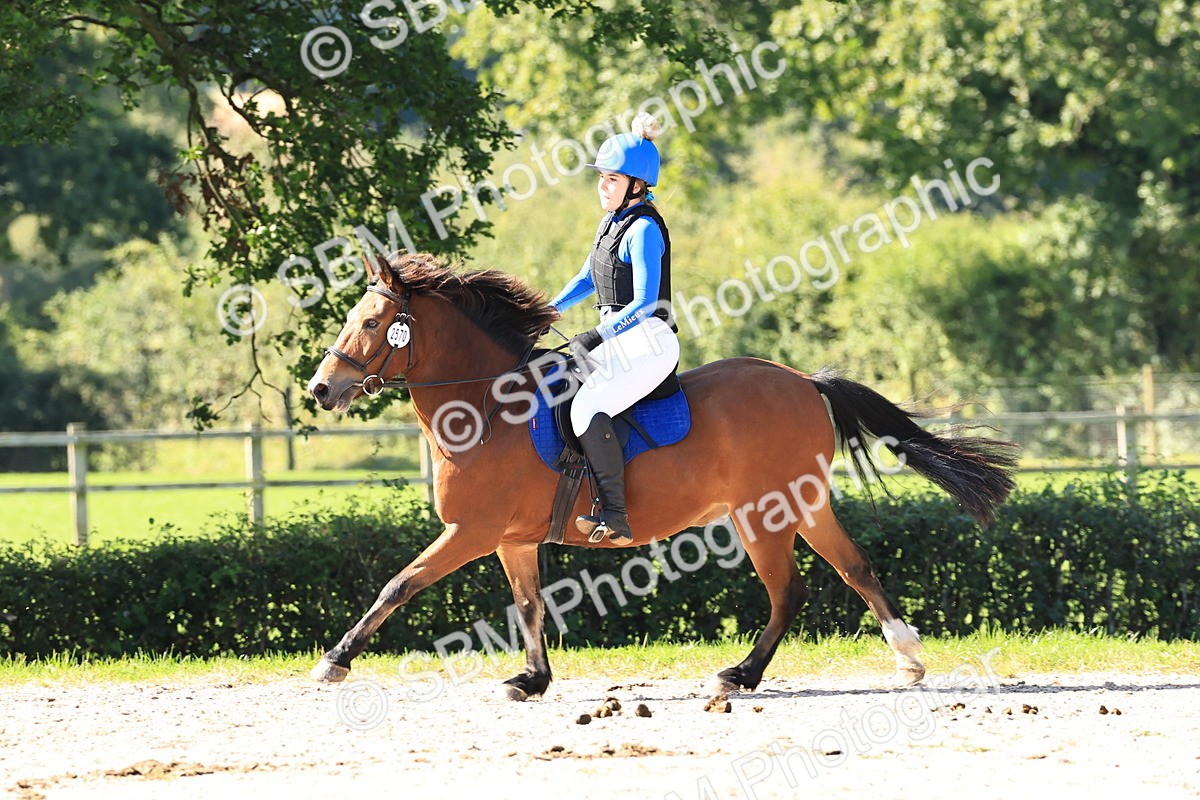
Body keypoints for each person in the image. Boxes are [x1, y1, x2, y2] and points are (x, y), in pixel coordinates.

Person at [547, 112, 680, 544]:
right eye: (601, 178)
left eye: (612, 179)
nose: (602, 186)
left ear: (637, 186)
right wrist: (549, 309)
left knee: (586, 407)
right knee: (557, 381)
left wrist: (597, 334)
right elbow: (589, 276)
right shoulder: (611, 223)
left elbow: (645, 303)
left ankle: (616, 515)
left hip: (650, 340)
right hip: (621, 338)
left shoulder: (642, 228)